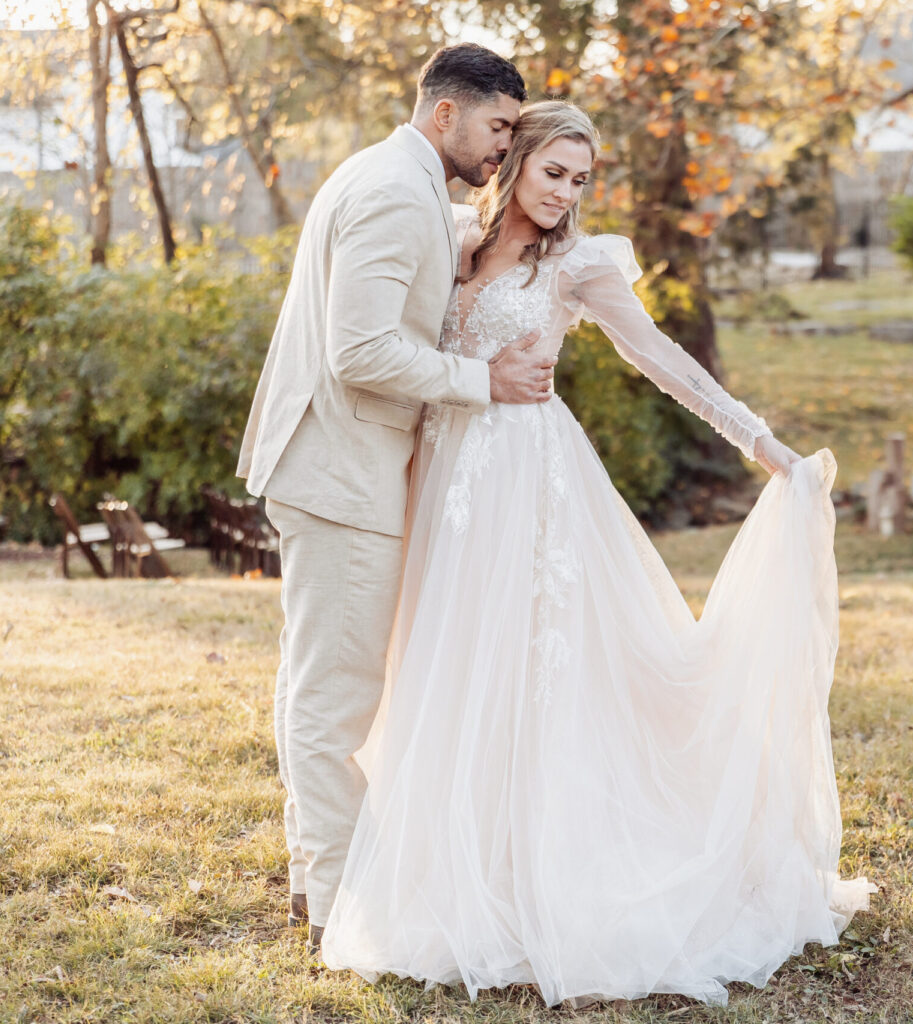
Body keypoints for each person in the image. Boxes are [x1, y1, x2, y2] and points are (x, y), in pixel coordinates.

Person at [319, 100, 872, 1007]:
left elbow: (662, 358)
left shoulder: (579, 263)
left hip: (528, 484)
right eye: (553, 173)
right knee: (449, 667)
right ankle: (456, 868)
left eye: (580, 179)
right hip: (444, 480)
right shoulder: (454, 237)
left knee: (540, 673)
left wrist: (764, 447)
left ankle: (547, 871)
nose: (566, 193)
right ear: (517, 159)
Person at [235, 44, 556, 952]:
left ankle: (318, 873)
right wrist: (483, 379)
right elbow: (362, 351)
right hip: (341, 471)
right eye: (497, 127)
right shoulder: (385, 189)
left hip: (351, 466)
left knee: (330, 678)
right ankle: (333, 897)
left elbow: (447, 239)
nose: (504, 146)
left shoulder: (405, 181)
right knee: (335, 689)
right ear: (446, 114)